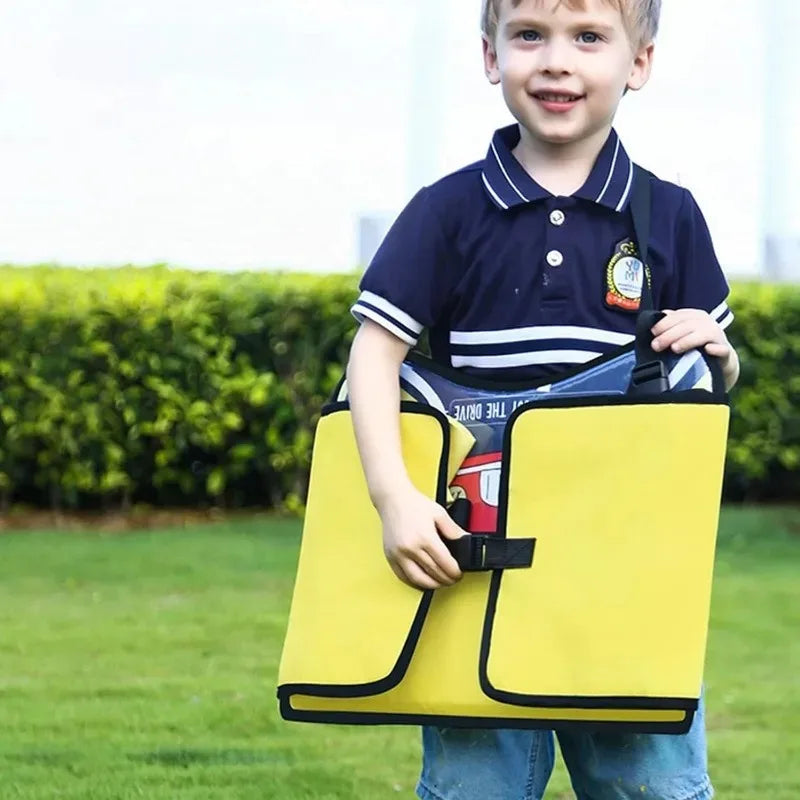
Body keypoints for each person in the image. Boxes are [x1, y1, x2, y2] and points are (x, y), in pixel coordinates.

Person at [345, 1, 739, 797]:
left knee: (649, 785)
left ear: (640, 64)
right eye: (529, 35)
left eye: (589, 37)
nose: (556, 61)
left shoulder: (672, 215)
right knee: (474, 786)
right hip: (476, 563)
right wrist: (394, 500)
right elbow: (373, 354)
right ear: (491, 56)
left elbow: (704, 399)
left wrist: (719, 354)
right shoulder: (445, 211)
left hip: (623, 570)